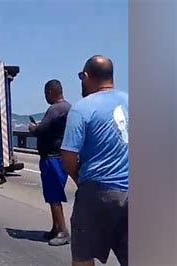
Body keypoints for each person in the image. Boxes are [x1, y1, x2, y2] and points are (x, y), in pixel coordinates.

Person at [60, 55, 128, 266]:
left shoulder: (83, 108)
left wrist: (81, 179)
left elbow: (68, 156)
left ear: (87, 76)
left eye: (81, 76)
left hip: (98, 193)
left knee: (83, 256)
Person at [28, 79, 71, 246]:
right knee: (53, 194)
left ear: (51, 92)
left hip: (52, 158)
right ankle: (55, 227)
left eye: (46, 93)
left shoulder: (55, 109)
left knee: (54, 195)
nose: (45, 97)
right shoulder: (67, 108)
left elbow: (40, 130)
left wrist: (32, 127)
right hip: (60, 155)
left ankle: (62, 231)